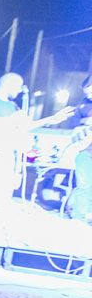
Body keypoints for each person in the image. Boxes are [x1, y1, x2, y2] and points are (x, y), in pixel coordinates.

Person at [0, 73, 74, 208]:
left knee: (5, 185)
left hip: (6, 150)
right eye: (18, 87)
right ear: (9, 84)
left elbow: (27, 125)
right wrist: (13, 120)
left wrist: (52, 119)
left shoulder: (13, 106)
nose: (19, 91)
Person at [68, 76, 92, 222]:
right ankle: (80, 216)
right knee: (84, 185)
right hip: (86, 151)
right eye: (87, 93)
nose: (89, 96)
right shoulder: (83, 105)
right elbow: (73, 122)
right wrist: (85, 121)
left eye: (91, 92)